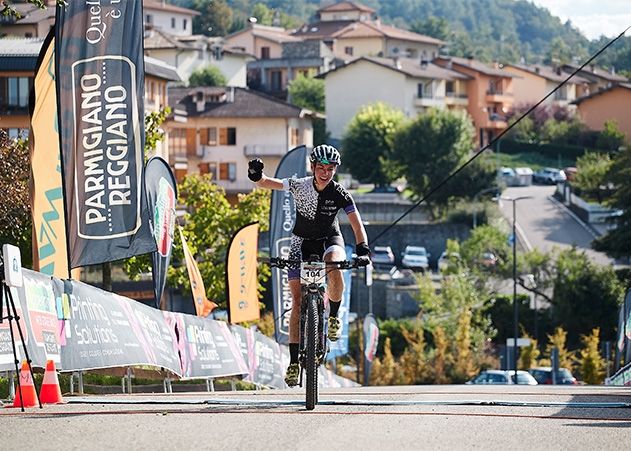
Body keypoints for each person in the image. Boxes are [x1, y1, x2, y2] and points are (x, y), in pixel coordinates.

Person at [247, 144, 371, 387]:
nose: (326, 173)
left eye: (331, 169)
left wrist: (363, 248)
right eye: (321, 168)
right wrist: (256, 175)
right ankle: (294, 362)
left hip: (329, 239)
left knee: (335, 263)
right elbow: (267, 184)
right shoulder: (300, 185)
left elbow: (356, 224)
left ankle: (333, 315)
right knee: (296, 301)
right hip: (300, 242)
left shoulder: (340, 193)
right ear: (313, 167)